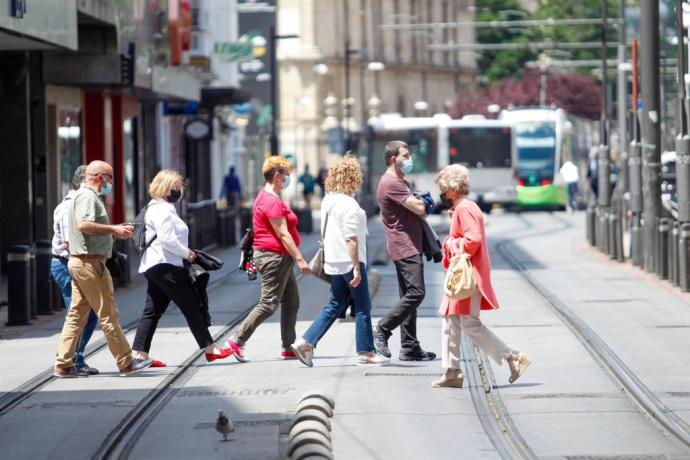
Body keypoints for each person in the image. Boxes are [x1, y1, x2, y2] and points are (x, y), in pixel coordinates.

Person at [432, 164, 531, 388]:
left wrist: (450, 243)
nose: (442, 194)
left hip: (465, 277)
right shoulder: (466, 207)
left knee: (468, 324)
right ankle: (451, 372)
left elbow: (472, 240)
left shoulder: (464, 208)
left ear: (454, 189)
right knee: (451, 321)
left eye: (444, 189)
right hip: (463, 275)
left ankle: (512, 356)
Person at [53, 160, 153, 378]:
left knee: (76, 315)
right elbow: (84, 225)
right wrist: (114, 230)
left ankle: (63, 364)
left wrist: (113, 230)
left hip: (81, 261)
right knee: (108, 314)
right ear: (99, 177)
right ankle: (126, 362)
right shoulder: (88, 196)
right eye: (110, 177)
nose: (111, 182)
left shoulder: (81, 196)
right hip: (90, 263)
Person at [291, 156, 389, 367]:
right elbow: (351, 239)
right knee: (363, 306)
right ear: (353, 178)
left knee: (337, 303)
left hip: (333, 261)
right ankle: (366, 352)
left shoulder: (328, 200)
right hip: (349, 261)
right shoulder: (349, 204)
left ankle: (306, 342)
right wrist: (356, 268)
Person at [131, 170, 234, 366]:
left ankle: (140, 356)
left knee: (152, 310)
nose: (179, 191)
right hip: (166, 264)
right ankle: (211, 350)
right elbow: (167, 238)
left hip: (155, 265)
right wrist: (187, 253)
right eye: (175, 187)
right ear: (164, 187)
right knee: (191, 305)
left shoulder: (157, 207)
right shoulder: (162, 210)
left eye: (179, 187)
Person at [223, 156, 311, 361]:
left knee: (291, 300)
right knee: (268, 303)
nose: (288, 178)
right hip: (275, 257)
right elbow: (283, 234)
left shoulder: (265, 196)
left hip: (279, 257)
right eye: (286, 174)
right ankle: (236, 341)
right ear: (277, 175)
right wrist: (300, 259)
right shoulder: (271, 200)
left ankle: (288, 346)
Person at [373, 140, 436, 361]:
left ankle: (409, 346)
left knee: (408, 294)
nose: (409, 159)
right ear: (394, 159)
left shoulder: (403, 182)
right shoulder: (392, 183)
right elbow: (420, 208)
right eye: (405, 156)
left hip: (409, 244)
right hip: (404, 245)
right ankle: (382, 329)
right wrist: (425, 203)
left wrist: (422, 201)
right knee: (416, 293)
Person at [50, 165, 99, 376]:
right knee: (78, 315)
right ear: (83, 182)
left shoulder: (79, 204)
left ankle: (75, 358)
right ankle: (69, 361)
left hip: (73, 263)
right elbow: (71, 243)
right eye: (96, 182)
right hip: (67, 264)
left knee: (87, 314)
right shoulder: (69, 207)